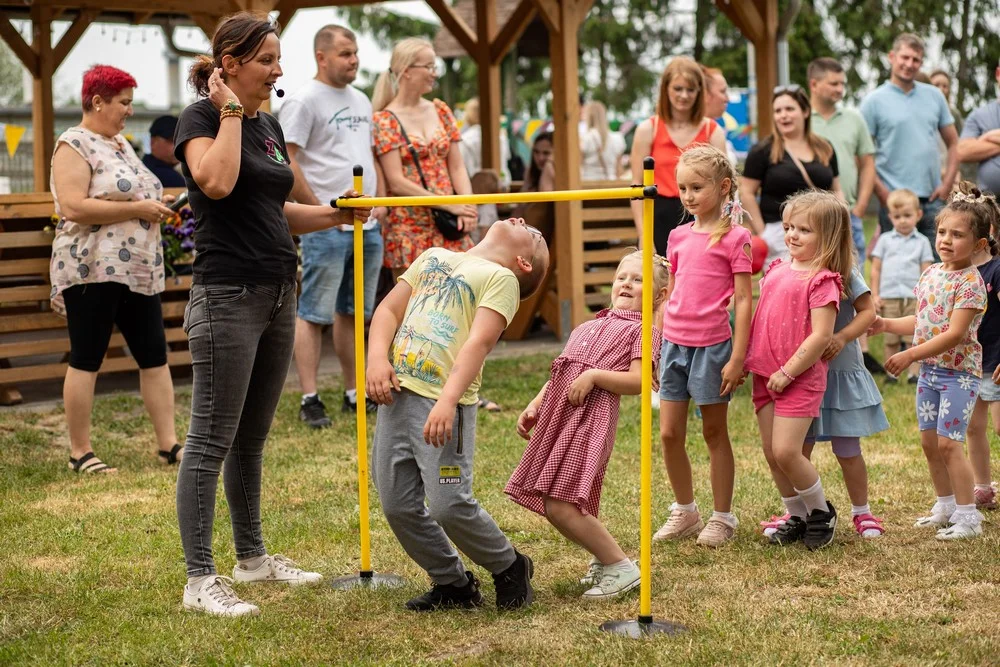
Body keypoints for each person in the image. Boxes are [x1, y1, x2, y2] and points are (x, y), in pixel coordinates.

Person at [173, 12, 372, 616]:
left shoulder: (263, 125)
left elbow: (278, 209)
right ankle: (199, 579)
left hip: (277, 290)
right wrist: (230, 111)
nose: (278, 71)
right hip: (225, 296)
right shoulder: (203, 120)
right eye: (266, 61)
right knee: (210, 439)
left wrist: (337, 216)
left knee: (251, 441)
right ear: (228, 64)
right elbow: (215, 181)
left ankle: (252, 558)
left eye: (279, 59)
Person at [366, 217, 549, 612]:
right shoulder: (434, 256)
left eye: (531, 230)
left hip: (444, 409)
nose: (519, 218)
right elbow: (386, 311)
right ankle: (453, 584)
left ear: (524, 262)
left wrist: (447, 401)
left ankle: (509, 565)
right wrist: (376, 358)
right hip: (397, 399)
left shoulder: (500, 279)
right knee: (396, 504)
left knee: (449, 503)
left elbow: (479, 343)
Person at [506, 249, 667, 599]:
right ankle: (603, 559)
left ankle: (620, 566)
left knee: (560, 504)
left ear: (659, 295)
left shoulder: (643, 331)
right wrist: (537, 403)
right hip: (560, 419)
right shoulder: (587, 326)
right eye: (622, 277)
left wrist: (594, 376)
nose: (626, 283)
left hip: (589, 423)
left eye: (638, 280)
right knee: (569, 503)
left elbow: (639, 382)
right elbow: (564, 369)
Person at [50, 65, 182, 474]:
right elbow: (72, 206)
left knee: (154, 356)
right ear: (97, 101)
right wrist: (139, 208)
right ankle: (80, 451)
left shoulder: (122, 144)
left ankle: (169, 444)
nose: (129, 110)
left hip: (138, 269)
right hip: (91, 268)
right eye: (124, 102)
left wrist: (157, 209)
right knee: (87, 357)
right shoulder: (73, 143)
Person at [868, 183, 993, 540]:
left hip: (959, 375)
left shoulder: (971, 283)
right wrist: (887, 325)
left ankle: (969, 517)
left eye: (958, 234)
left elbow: (954, 334)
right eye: (942, 232)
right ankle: (946, 505)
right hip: (931, 374)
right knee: (929, 443)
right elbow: (924, 322)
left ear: (980, 244)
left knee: (950, 444)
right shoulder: (931, 274)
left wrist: (909, 353)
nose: (946, 240)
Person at [279, 24, 386, 427]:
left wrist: (381, 201)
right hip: (324, 224)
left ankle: (353, 392)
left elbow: (367, 154)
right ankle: (309, 397)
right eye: (344, 53)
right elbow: (286, 160)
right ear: (321, 57)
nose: (354, 59)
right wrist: (321, 210)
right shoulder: (303, 101)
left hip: (366, 224)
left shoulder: (361, 99)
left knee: (353, 312)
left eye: (356, 52)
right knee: (314, 312)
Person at [652, 146, 752, 548]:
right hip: (675, 345)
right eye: (683, 188)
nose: (688, 196)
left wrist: (738, 357)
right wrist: (658, 345)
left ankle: (723, 517)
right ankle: (685, 510)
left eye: (697, 187)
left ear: (723, 187)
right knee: (669, 433)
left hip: (713, 348)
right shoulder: (676, 236)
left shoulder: (736, 237)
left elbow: (744, 300)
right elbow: (671, 293)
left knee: (714, 432)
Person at [747, 190, 853, 550]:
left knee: (788, 452)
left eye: (803, 230)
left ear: (828, 237)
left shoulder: (823, 281)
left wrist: (788, 372)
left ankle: (821, 512)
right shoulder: (776, 269)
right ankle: (797, 514)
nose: (791, 235)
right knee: (771, 452)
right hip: (766, 375)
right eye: (789, 227)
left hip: (799, 378)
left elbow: (821, 335)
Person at [759, 266, 889, 540]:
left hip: (838, 371)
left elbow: (868, 312)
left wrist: (842, 337)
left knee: (847, 449)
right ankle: (801, 512)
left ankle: (862, 511)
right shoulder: (790, 269)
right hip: (802, 374)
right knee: (797, 450)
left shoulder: (844, 269)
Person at [371, 38, 477, 278]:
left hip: (448, 222)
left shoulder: (440, 110)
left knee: (456, 300)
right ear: (406, 71)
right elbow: (396, 181)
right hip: (408, 225)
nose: (434, 73)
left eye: (434, 67)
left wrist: (468, 209)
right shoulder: (384, 119)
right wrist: (451, 204)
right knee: (413, 305)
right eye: (428, 67)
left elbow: (458, 167)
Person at [860, 33, 958, 250]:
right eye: (904, 57)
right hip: (894, 202)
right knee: (897, 269)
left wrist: (947, 184)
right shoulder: (873, 101)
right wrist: (883, 193)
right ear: (892, 57)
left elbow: (953, 143)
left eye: (915, 60)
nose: (909, 64)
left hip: (933, 200)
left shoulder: (934, 96)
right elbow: (862, 154)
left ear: (921, 63)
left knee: (939, 268)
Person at [629, 57, 727, 254]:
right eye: (678, 88)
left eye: (690, 90)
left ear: (700, 92)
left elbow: (724, 185)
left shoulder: (712, 130)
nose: (684, 95)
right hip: (657, 217)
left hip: (700, 216)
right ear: (666, 89)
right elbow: (636, 186)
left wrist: (720, 227)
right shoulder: (648, 129)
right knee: (659, 280)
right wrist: (643, 235)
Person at [741, 84, 842, 269]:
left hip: (823, 233)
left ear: (805, 111)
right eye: (778, 111)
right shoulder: (763, 150)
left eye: (789, 109)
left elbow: (836, 189)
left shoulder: (825, 147)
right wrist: (764, 233)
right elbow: (746, 192)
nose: (783, 115)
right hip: (781, 235)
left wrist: (843, 223)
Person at [807, 57, 875, 263]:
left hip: (848, 213)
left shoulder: (855, 119)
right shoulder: (800, 119)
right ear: (814, 84)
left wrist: (861, 205)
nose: (840, 89)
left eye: (842, 84)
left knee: (854, 287)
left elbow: (868, 164)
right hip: (808, 216)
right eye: (834, 83)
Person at [960, 189, 1000, 511]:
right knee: (974, 428)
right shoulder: (957, 274)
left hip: (997, 362)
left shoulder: (996, 271)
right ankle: (983, 488)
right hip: (971, 365)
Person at [870, 189, 935, 383]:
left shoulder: (922, 242)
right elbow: (875, 269)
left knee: (913, 337)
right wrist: (875, 294)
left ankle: (914, 374)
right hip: (889, 296)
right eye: (897, 217)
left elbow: (927, 272)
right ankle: (891, 373)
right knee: (890, 337)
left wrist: (925, 298)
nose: (903, 221)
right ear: (890, 217)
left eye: (907, 216)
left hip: (913, 297)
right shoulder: (884, 241)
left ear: (918, 215)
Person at [957, 60, 1000, 194]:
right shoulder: (979, 115)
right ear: (998, 74)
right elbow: (962, 151)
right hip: (990, 206)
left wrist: (987, 137)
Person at [458, 97, 511, 186]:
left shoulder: (465, 139)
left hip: (476, 189)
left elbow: (466, 168)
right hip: (503, 185)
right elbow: (506, 160)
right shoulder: (501, 137)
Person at [700, 65, 738, 164]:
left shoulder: (715, 130)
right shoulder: (693, 135)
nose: (727, 99)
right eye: (723, 91)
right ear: (705, 94)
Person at [580, 101, 626, 181]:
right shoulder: (618, 138)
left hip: (588, 184)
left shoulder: (584, 138)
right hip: (611, 185)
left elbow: (578, 167)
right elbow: (619, 170)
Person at [142, 115, 185, 187]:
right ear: (153, 142)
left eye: (180, 141)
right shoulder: (170, 177)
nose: (177, 146)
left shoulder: (143, 165)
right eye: (171, 140)